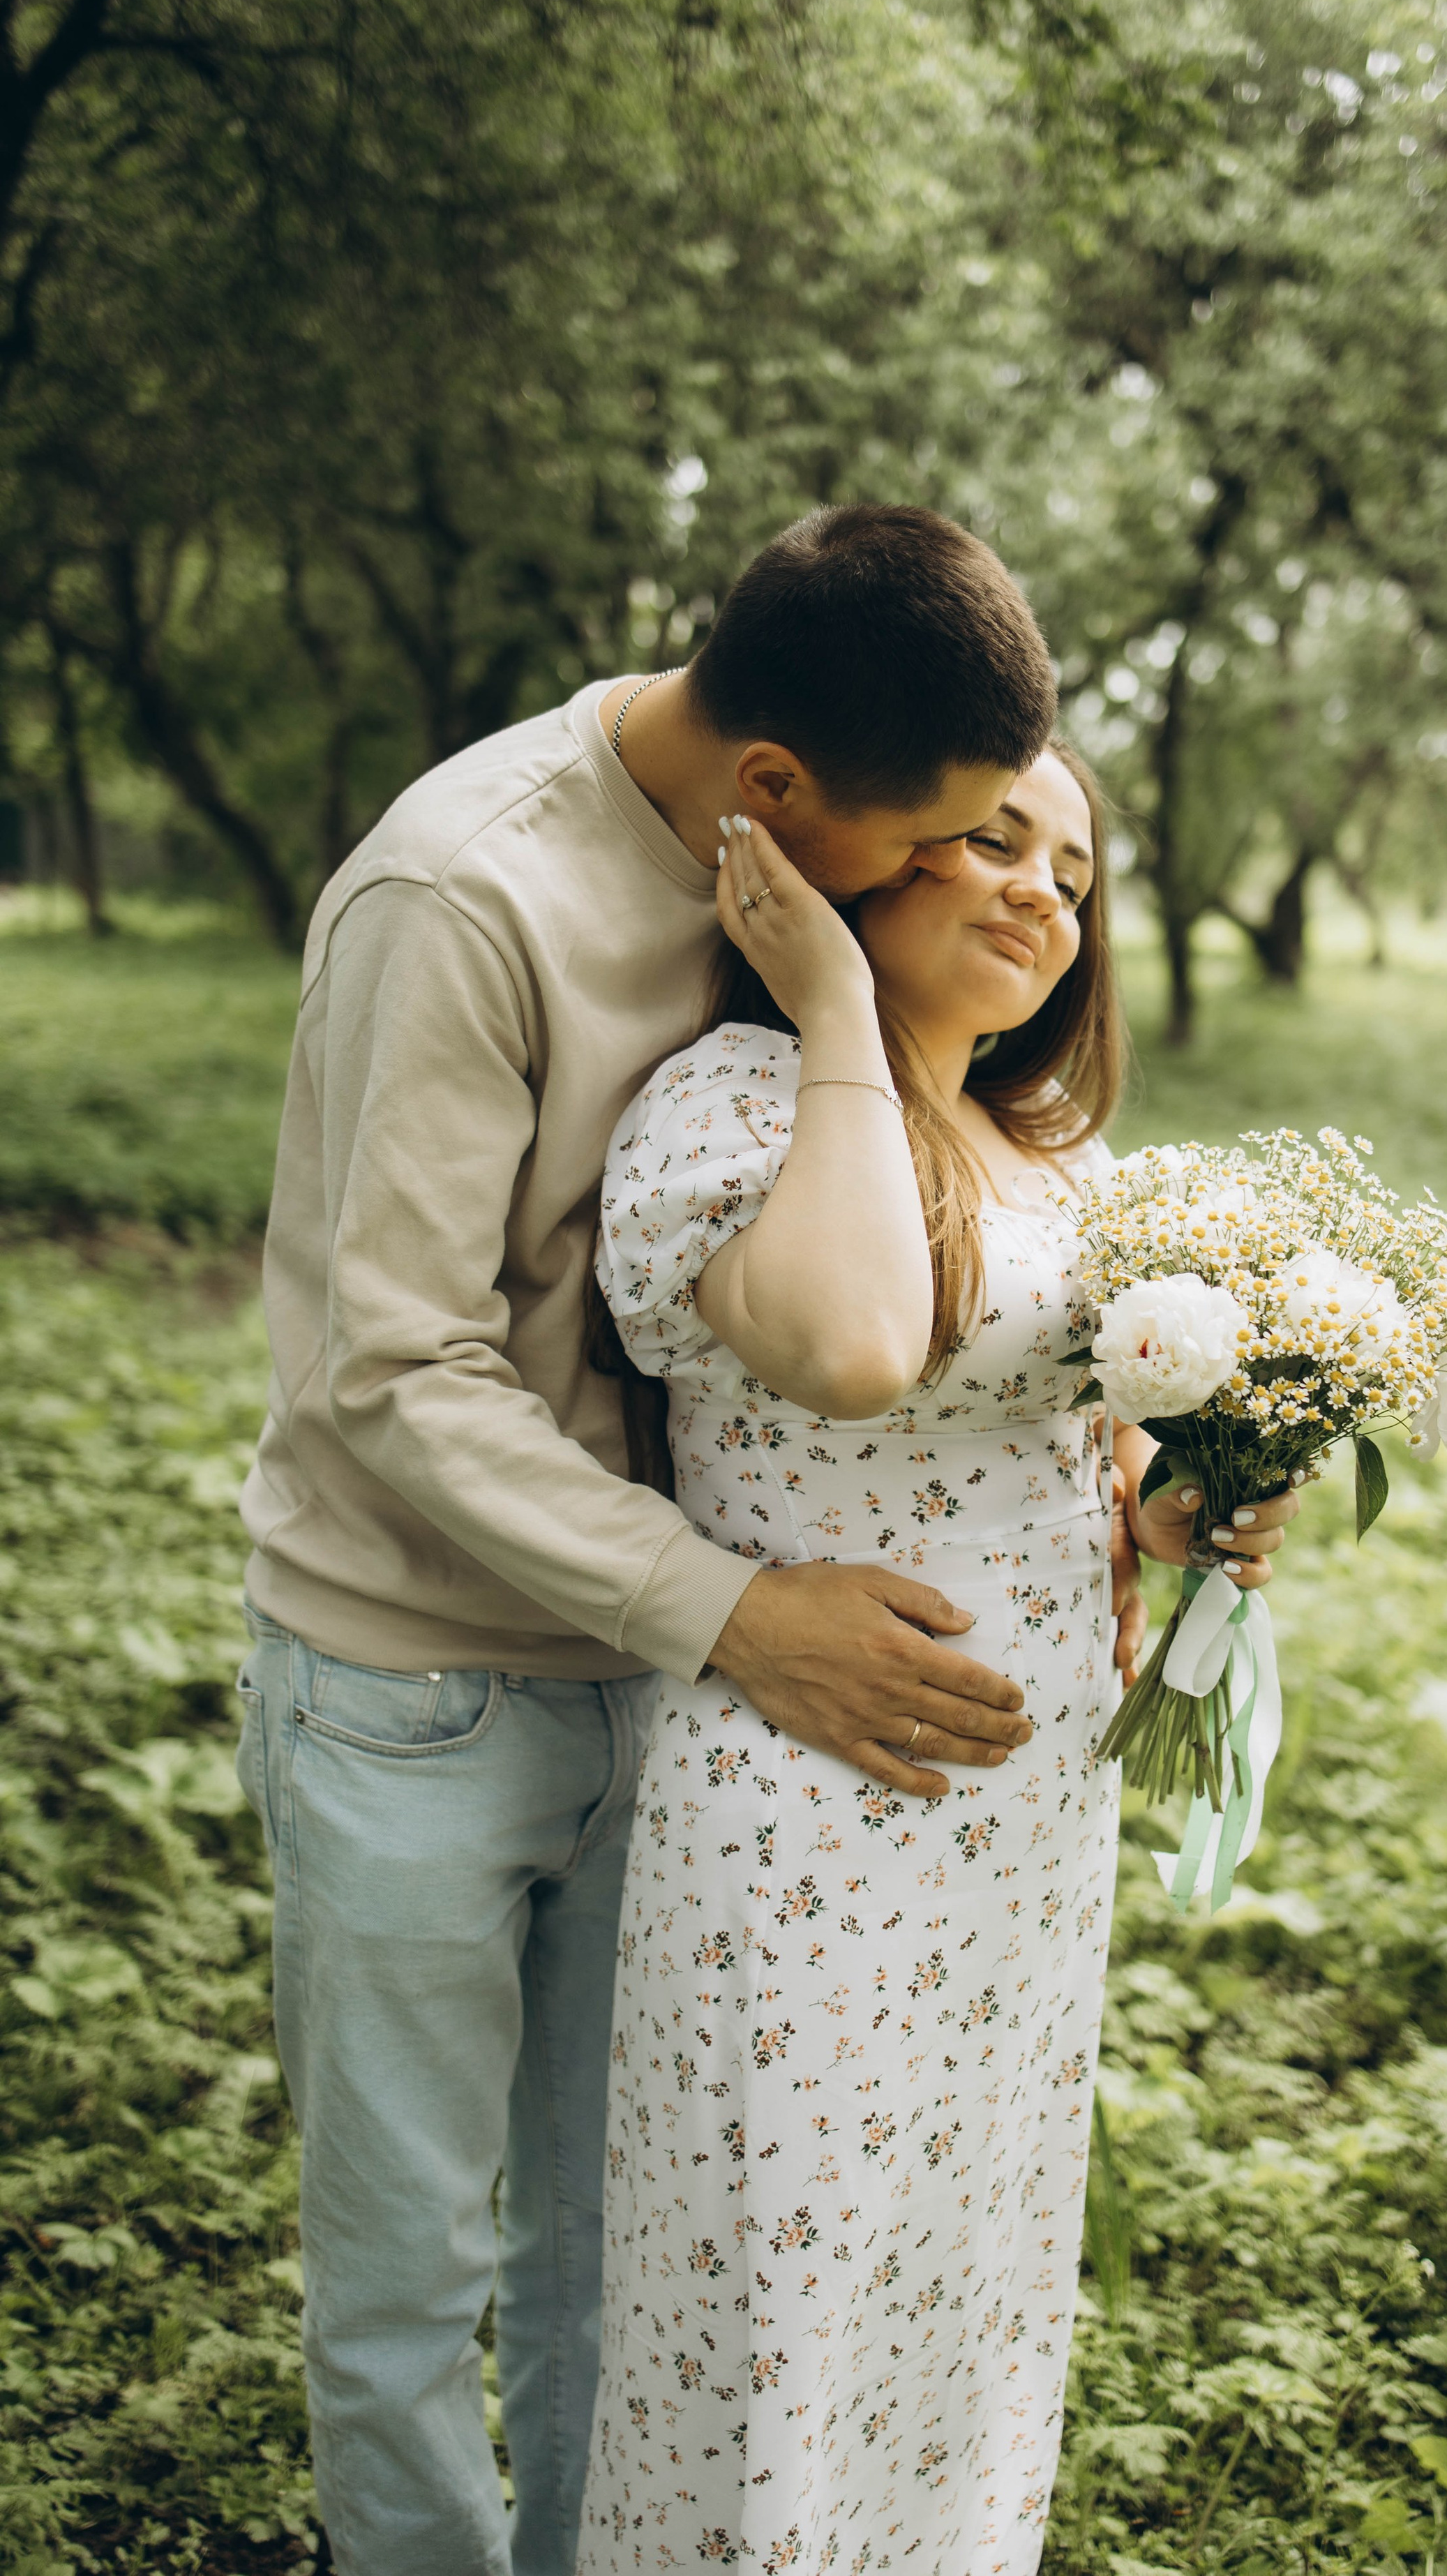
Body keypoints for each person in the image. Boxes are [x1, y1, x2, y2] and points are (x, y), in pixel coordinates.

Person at [231, 501, 1294, 2576]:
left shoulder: (816, 918)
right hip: (419, 1679)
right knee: (405, 2285)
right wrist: (735, 1610)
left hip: (686, 1686)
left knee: (621, 2268)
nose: (981, 881)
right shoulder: (462, 898)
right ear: (785, 802)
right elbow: (399, 1372)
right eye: (946, 842)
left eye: (1037, 847)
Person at [577, 744, 1296, 2574]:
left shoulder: (1051, 1154)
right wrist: (827, 999)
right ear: (864, 856)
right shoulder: (740, 1100)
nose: (1042, 889)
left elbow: (1064, 1441)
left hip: (1018, 1855)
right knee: (773, 2342)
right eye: (991, 839)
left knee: (956, 2310)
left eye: (1072, 866)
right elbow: (847, 1344)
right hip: (817, 1827)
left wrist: (1168, 1513)